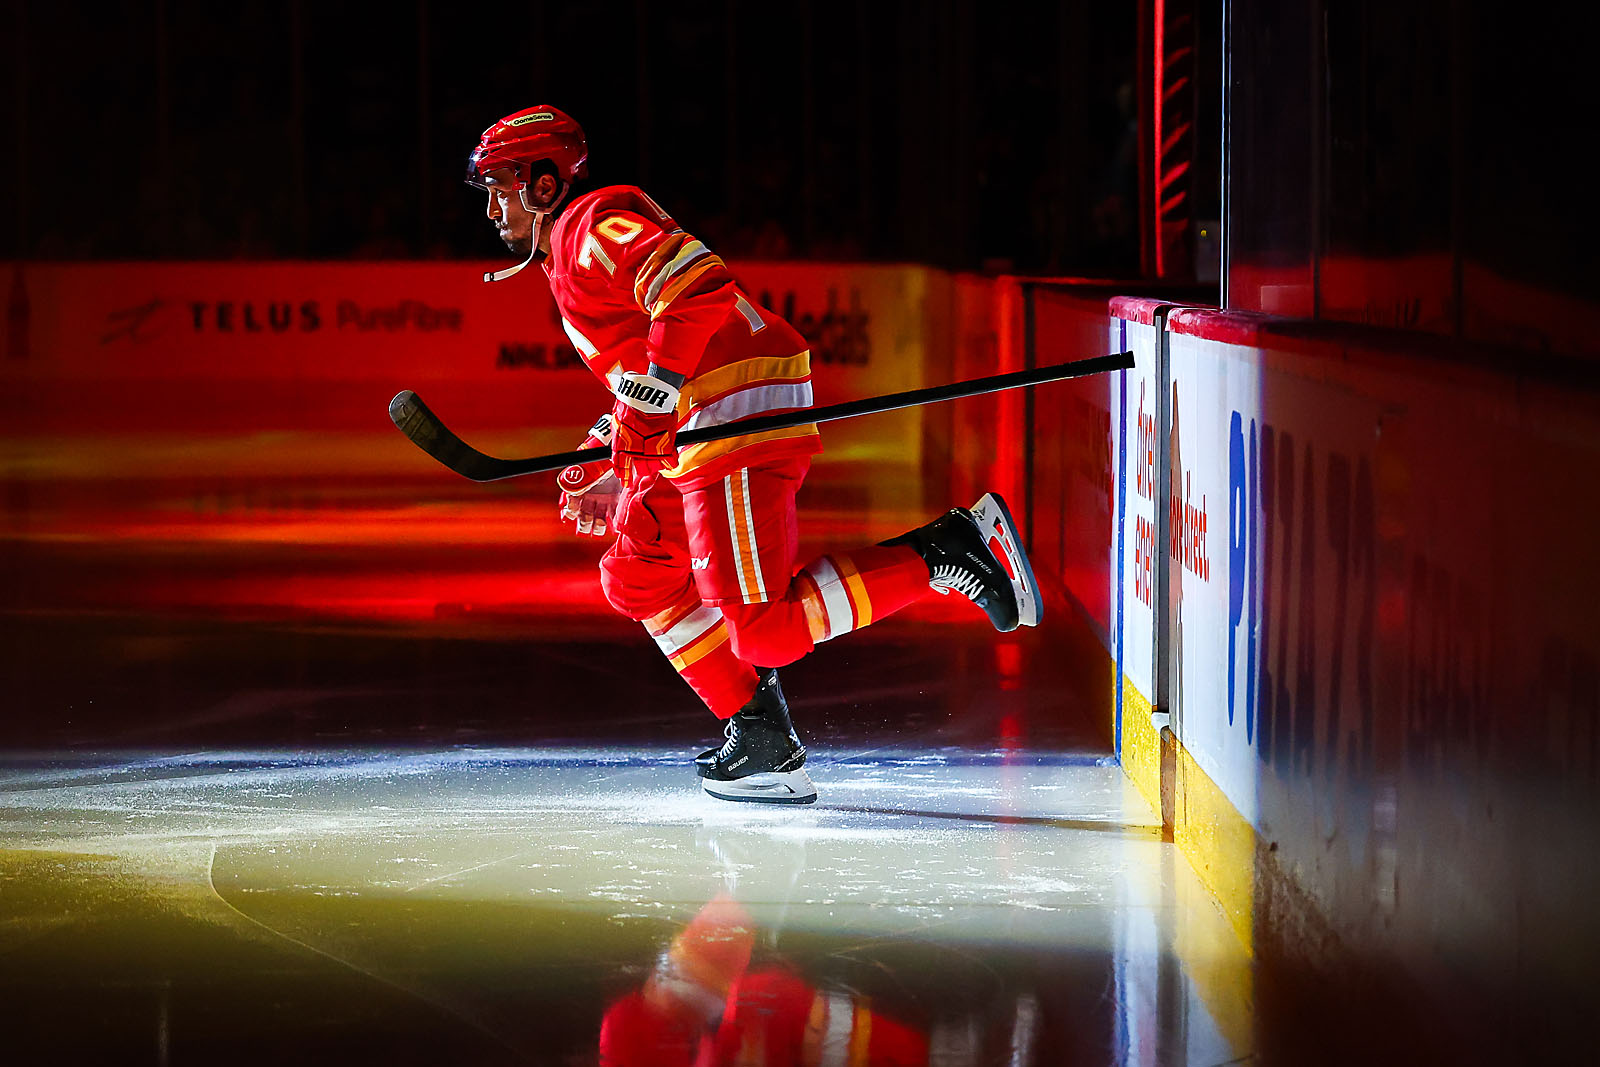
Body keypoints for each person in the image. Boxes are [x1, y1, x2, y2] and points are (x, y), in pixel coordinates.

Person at [466, 105, 1042, 804]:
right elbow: (646, 364)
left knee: (765, 632)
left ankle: (951, 547)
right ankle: (759, 732)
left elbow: (696, 287)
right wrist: (602, 452)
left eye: (501, 185)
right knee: (638, 572)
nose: (492, 206)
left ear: (546, 182)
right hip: (704, 412)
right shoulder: (571, 256)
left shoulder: (590, 227)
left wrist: (649, 410)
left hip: (731, 409)